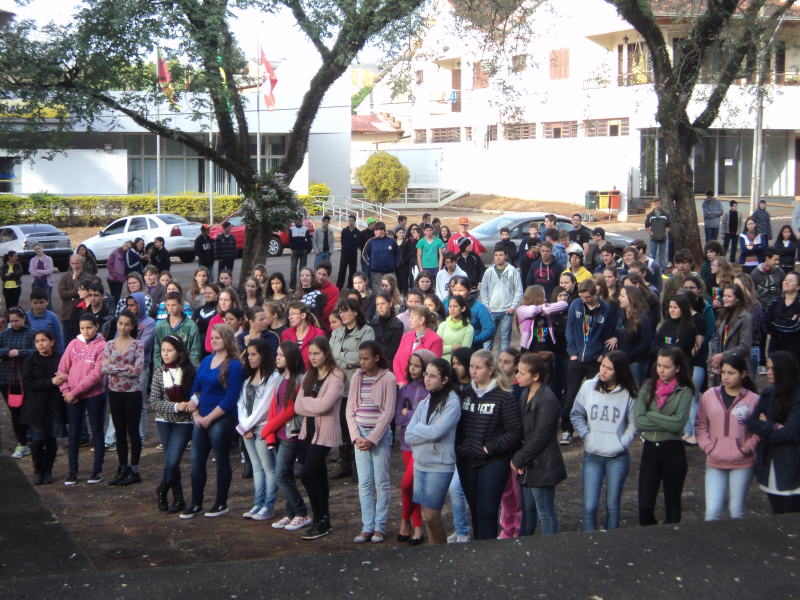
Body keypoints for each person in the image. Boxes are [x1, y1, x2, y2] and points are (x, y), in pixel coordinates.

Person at [180, 324, 245, 519]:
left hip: (222, 419)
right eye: (212, 337)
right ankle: (196, 503)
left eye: (217, 337)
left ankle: (221, 503)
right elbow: (196, 389)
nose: (213, 340)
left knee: (221, 460)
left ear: (227, 339)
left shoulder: (234, 365)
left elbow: (231, 396)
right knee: (196, 461)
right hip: (201, 418)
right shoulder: (206, 360)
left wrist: (209, 418)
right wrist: (196, 414)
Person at [456, 350, 522, 540]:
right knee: (475, 510)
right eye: (471, 366)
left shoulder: (504, 396)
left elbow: (514, 432)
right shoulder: (464, 394)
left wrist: (491, 447)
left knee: (488, 511)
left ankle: (489, 551)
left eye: (478, 367)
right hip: (466, 460)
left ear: (490, 370)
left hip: (493, 461)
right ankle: (478, 549)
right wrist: (459, 447)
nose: (473, 371)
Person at [571, 350, 638, 531]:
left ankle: (611, 543)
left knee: (612, 506)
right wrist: (587, 436)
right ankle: (589, 543)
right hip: (592, 454)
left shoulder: (629, 393)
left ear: (619, 371)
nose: (604, 371)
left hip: (617, 457)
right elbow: (576, 414)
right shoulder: (589, 387)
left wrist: (622, 443)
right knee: (589, 507)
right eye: (603, 366)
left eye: (609, 368)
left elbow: (634, 423)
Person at [404, 358, 462, 545]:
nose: (426, 379)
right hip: (420, 463)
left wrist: (420, 429)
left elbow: (438, 432)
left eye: (432, 376)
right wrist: (426, 431)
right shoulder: (425, 401)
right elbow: (408, 435)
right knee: (427, 516)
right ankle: (433, 552)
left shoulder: (452, 402)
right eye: (426, 374)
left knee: (431, 517)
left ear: (444, 380)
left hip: (439, 464)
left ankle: (442, 554)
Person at [695, 354, 759, 521]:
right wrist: (709, 447)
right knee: (712, 512)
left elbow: (760, 430)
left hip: (742, 462)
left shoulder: (753, 400)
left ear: (743, 374)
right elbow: (700, 425)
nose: (726, 377)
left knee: (736, 510)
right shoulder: (709, 396)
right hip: (715, 460)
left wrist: (746, 448)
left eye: (731, 373)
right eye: (723, 372)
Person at [635, 346, 694, 525]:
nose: (661, 370)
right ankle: (651, 536)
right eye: (659, 365)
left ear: (678, 368)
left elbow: (678, 424)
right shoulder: (647, 387)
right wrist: (666, 421)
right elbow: (638, 421)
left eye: (667, 367)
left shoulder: (684, 390)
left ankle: (671, 538)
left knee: (672, 505)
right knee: (645, 506)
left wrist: (651, 415)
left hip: (673, 450)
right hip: (650, 449)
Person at [345, 341, 397, 544]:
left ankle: (379, 527)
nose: (362, 362)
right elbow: (350, 410)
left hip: (379, 435)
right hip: (360, 434)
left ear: (376, 357)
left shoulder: (388, 378)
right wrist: (356, 436)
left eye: (366, 358)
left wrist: (372, 439)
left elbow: (388, 412)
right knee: (364, 482)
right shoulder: (357, 377)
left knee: (381, 482)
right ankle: (367, 526)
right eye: (360, 358)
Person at [294, 337, 346, 539]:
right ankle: (325, 520)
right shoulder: (310, 374)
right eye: (310, 353)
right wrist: (313, 404)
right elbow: (297, 407)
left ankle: (318, 520)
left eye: (316, 353)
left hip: (326, 432)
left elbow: (325, 405)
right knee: (319, 475)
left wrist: (308, 403)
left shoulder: (336, 376)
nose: (313, 357)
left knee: (306, 475)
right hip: (309, 430)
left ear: (326, 353)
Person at [260, 342, 312, 531]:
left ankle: (302, 512)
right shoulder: (280, 378)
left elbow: (291, 410)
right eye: (277, 354)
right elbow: (274, 407)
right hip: (278, 433)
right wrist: (270, 433)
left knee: (281, 475)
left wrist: (267, 429)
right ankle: (291, 514)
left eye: (281, 355)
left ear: (291, 356)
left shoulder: (301, 380)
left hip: (291, 434)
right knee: (286, 474)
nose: (277, 358)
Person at [562, 279, 614, 445]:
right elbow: (569, 330)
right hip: (576, 359)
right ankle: (567, 430)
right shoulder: (575, 305)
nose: (584, 300)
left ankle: (594, 430)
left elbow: (609, 333)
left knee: (596, 396)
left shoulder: (606, 308)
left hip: (595, 360)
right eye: (582, 297)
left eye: (587, 297)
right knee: (571, 395)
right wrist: (572, 353)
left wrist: (602, 355)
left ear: (595, 293)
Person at [57, 313, 107, 485]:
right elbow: (62, 370)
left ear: (97, 327)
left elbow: (97, 375)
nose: (86, 331)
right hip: (72, 397)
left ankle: (97, 471)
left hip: (94, 395)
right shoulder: (73, 344)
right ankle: (72, 472)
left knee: (97, 431)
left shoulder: (102, 346)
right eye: (82, 328)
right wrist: (66, 392)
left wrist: (75, 392)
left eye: (89, 327)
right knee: (74, 433)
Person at [747, 352, 800, 514]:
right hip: (770, 463)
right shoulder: (767, 394)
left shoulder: (797, 396)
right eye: (768, 368)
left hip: (791, 464)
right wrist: (775, 427)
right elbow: (752, 423)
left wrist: (765, 428)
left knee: (791, 516)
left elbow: (790, 432)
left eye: (773, 369)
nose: (768, 372)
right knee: (776, 514)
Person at [329, 298, 375, 481]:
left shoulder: (367, 331)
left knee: (356, 424)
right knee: (342, 424)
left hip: (358, 385)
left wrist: (342, 358)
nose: (342, 314)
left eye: (345, 310)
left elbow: (361, 356)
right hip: (339, 385)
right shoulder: (337, 332)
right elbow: (330, 355)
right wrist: (346, 361)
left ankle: (359, 465)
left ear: (355, 312)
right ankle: (345, 464)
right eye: (340, 311)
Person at [395, 349, 437, 544]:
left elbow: (428, 420)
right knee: (410, 487)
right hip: (406, 443)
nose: (412, 369)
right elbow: (397, 418)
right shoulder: (404, 390)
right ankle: (415, 526)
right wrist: (412, 417)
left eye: (417, 366)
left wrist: (409, 414)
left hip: (423, 445)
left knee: (407, 484)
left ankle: (407, 522)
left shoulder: (431, 392)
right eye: (410, 365)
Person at [237, 338, 281, 521]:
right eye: (248, 354)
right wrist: (244, 427)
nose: (250, 358)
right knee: (256, 467)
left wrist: (246, 426)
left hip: (263, 429)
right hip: (247, 430)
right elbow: (241, 403)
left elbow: (265, 406)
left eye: (254, 354)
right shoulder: (247, 378)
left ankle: (268, 506)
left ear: (263, 355)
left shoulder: (273, 377)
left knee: (269, 468)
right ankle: (258, 503)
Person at [151, 334, 196, 513]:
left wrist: (191, 403)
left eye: (169, 350)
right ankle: (178, 498)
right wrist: (176, 406)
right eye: (163, 350)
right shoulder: (159, 372)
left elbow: (197, 392)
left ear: (179, 352)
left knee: (173, 460)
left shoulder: (190, 370)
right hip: (163, 421)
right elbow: (155, 402)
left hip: (184, 422)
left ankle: (162, 489)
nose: (165, 353)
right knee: (171, 461)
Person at [101, 310, 146, 487]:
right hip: (115, 392)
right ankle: (122, 467)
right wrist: (126, 367)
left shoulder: (137, 345)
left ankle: (134, 469)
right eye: (120, 323)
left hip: (133, 393)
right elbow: (104, 368)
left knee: (133, 431)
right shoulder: (109, 344)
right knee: (119, 431)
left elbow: (137, 370)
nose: (123, 327)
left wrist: (116, 368)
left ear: (132, 326)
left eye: (127, 324)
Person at [20, 329, 62, 485]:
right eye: (37, 341)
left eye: (43, 340)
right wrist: (51, 382)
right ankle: (38, 470)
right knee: (38, 440)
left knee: (51, 439)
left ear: (52, 341)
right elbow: (29, 383)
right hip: (36, 406)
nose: (40, 344)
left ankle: (48, 470)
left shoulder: (59, 359)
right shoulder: (30, 361)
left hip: (54, 404)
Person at [1, 308, 36, 459]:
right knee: (15, 412)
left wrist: (20, 353)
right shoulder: (4, 334)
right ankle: (22, 443)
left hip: (26, 378)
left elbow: (36, 351)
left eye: (17, 320)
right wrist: (8, 352)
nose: (14, 323)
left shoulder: (32, 333)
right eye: (12, 321)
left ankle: (38, 440)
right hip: (6, 378)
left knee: (30, 410)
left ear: (24, 319)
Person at [480, 243, 523, 353]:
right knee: (488, 339)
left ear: (506, 256)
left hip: (506, 311)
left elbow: (519, 290)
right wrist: (486, 305)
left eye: (500, 255)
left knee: (505, 339)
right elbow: (483, 289)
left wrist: (513, 306)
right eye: (496, 255)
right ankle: (485, 360)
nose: (498, 257)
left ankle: (502, 362)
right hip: (491, 310)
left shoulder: (512, 271)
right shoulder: (489, 271)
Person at [607, 286, 653, 388]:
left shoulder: (643, 318)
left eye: (622, 296)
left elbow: (647, 341)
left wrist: (630, 354)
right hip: (622, 360)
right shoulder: (622, 313)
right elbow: (617, 329)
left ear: (631, 298)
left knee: (634, 389)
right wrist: (615, 337)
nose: (619, 298)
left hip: (636, 362)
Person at [709, 284, 753, 378]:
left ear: (737, 298)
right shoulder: (724, 314)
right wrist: (716, 361)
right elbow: (717, 338)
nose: (725, 298)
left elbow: (744, 346)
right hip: (722, 365)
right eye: (724, 295)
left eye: (729, 296)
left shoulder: (745, 317)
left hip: (737, 365)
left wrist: (722, 356)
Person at [394, 305, 444, 384]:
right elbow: (397, 361)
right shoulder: (406, 337)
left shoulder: (436, 340)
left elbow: (433, 367)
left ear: (421, 320)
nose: (409, 320)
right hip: (402, 384)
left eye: (412, 318)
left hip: (422, 385)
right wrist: (402, 381)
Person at [514, 285, 568, 355]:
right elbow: (533, 311)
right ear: (537, 297)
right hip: (530, 349)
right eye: (543, 296)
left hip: (546, 349)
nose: (545, 299)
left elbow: (564, 304)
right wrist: (542, 309)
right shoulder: (521, 309)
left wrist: (546, 309)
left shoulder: (545, 306)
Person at [445, 276, 495, 349]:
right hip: (450, 349)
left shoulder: (480, 308)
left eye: (461, 290)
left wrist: (471, 341)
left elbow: (490, 330)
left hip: (473, 350)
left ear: (469, 290)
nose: (457, 293)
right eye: (455, 290)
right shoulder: (448, 306)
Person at [154, 291, 201, 369]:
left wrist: (188, 369)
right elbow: (156, 351)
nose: (171, 308)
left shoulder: (191, 325)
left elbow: (195, 352)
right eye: (168, 305)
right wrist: (160, 369)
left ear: (181, 305)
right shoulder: (160, 326)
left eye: (174, 305)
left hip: (185, 368)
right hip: (165, 369)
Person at [57, 254, 93, 350]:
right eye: (72, 264)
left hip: (82, 313)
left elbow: (87, 292)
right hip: (67, 314)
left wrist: (75, 280)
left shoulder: (88, 277)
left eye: (77, 263)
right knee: (67, 341)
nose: (75, 266)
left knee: (82, 341)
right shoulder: (64, 277)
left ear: (82, 264)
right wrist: (77, 292)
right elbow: (62, 294)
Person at [764, 272, 800, 366]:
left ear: (798, 287)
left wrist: (774, 323)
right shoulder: (774, 303)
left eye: (790, 281)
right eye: (785, 280)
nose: (786, 282)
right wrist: (788, 322)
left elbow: (795, 326)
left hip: (794, 351)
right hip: (775, 349)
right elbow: (766, 324)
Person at [660, 249, 706, 320]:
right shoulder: (670, 282)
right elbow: (665, 306)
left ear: (691, 263)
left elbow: (703, 305)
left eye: (684, 262)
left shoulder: (699, 282)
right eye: (678, 263)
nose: (681, 266)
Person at [651, 293, 698, 360]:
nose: (672, 310)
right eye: (670, 307)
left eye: (675, 307)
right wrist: (670, 346)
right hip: (663, 362)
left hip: (680, 363)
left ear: (683, 308)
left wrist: (661, 344)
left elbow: (678, 348)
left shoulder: (689, 328)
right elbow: (653, 346)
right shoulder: (666, 325)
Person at [282, 302, 326, 370]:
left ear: (303, 315)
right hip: (292, 372)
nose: (289, 317)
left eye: (293, 314)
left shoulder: (318, 334)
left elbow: (323, 358)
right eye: (289, 314)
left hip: (312, 372)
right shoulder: (285, 334)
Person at [362, 222, 401, 296]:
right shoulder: (371, 242)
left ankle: (393, 302)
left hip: (390, 270)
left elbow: (398, 253)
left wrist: (394, 263)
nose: (375, 232)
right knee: (378, 289)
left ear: (383, 230)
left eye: (377, 230)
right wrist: (369, 263)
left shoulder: (391, 241)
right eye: (374, 230)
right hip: (376, 271)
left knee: (393, 287)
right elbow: (364, 253)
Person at [26, 288, 64, 355]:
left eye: (41, 302)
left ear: (47, 302)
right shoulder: (25, 317)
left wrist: (60, 355)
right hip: (30, 355)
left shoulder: (52, 317)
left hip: (49, 354)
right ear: (31, 302)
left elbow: (59, 338)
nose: (38, 305)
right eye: (35, 303)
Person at [203, 287, 240, 354]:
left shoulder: (240, 318)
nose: (223, 303)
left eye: (226, 300)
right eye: (221, 299)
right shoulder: (214, 319)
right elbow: (208, 345)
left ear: (233, 301)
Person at [437, 295, 474, 362]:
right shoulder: (443, 325)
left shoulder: (468, 328)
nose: (452, 309)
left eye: (455, 306)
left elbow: (464, 351)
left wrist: (445, 347)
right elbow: (437, 348)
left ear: (463, 308)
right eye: (450, 306)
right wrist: (454, 347)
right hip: (442, 362)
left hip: (458, 363)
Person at [192, 283, 219, 357]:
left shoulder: (219, 310)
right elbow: (193, 324)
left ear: (217, 294)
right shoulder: (199, 310)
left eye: (210, 293)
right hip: (198, 346)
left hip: (212, 347)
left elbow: (213, 326)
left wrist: (200, 322)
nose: (207, 295)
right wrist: (205, 323)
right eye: (205, 293)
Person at [336, 214, 360, 289]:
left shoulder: (357, 232)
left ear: (354, 221)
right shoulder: (344, 231)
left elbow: (358, 243)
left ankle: (350, 286)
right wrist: (344, 248)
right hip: (345, 253)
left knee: (352, 270)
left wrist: (354, 248)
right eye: (349, 220)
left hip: (353, 254)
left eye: (352, 220)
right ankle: (339, 286)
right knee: (342, 270)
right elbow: (342, 241)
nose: (350, 222)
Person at [645, 198, 670, 268]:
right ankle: (652, 270)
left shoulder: (665, 214)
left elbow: (669, 226)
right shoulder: (650, 215)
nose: (658, 205)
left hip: (663, 238)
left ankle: (662, 271)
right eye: (657, 203)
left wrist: (665, 233)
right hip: (653, 239)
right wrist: (652, 234)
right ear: (655, 204)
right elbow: (646, 227)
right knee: (652, 256)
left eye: (659, 203)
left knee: (662, 256)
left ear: (661, 204)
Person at [315, 261, 340, 334]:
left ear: (329, 275)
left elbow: (328, 311)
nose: (320, 277)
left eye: (324, 275)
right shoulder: (310, 285)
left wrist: (311, 316)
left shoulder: (334, 290)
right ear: (315, 272)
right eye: (319, 273)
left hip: (324, 327)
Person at [288, 220, 313, 291]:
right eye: (297, 220)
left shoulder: (305, 229)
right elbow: (289, 240)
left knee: (302, 270)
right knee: (293, 269)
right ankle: (292, 287)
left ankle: (301, 286)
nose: (299, 222)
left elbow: (309, 240)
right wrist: (292, 249)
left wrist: (306, 249)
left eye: (300, 220)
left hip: (303, 251)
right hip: (295, 251)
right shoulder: (292, 229)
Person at [28, 243, 54, 309]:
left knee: (47, 300)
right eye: (35, 249)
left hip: (46, 282)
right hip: (36, 282)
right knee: (36, 299)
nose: (37, 250)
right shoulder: (33, 260)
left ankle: (49, 314)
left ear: (42, 248)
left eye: (38, 248)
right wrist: (43, 272)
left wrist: (38, 271)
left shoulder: (48, 259)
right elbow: (32, 273)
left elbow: (50, 271)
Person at [357, 218, 377, 286]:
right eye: (374, 223)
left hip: (374, 256)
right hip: (365, 256)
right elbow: (359, 243)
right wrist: (365, 250)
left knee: (373, 273)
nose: (375, 225)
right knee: (366, 273)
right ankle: (366, 287)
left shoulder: (376, 233)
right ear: (370, 224)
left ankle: (372, 288)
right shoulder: (363, 233)